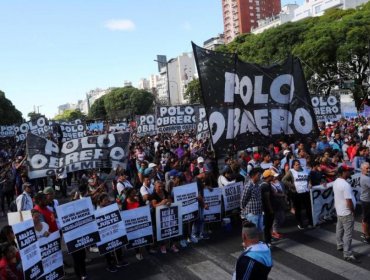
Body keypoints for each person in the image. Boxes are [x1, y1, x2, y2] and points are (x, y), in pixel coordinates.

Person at [333, 165, 359, 263]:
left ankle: (340, 245)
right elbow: (348, 201)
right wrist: (352, 210)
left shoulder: (336, 181)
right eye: (348, 171)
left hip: (339, 211)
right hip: (346, 212)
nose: (350, 172)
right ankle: (347, 253)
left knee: (339, 229)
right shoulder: (345, 185)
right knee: (348, 234)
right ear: (343, 172)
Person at [282, 160, 313, 229]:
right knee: (298, 209)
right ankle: (300, 223)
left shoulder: (305, 170)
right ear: (293, 166)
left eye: (298, 164)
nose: (298, 166)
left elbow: (309, 177)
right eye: (296, 165)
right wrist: (292, 186)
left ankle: (310, 222)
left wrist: (310, 183)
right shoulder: (291, 171)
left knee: (308, 208)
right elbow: (284, 180)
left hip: (305, 192)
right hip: (296, 193)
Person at [240, 168, 263, 239]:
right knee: (252, 232)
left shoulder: (257, 185)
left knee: (260, 230)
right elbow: (243, 200)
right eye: (258, 175)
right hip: (252, 213)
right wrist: (244, 210)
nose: (260, 176)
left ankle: (259, 244)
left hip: (259, 212)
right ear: (253, 176)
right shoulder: (248, 186)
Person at [359, 162, 370, 243]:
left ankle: (365, 233)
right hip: (367, 201)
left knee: (365, 218)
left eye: (369, 168)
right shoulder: (366, 178)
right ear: (362, 169)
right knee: (366, 219)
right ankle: (367, 236)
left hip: (365, 200)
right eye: (367, 168)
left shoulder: (364, 176)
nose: (369, 170)